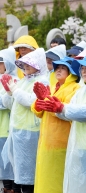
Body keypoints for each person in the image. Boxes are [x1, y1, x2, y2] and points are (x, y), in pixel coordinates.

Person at [37, 55, 86, 193]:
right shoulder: (82, 90)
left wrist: (61, 108)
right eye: (82, 68)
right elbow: (69, 113)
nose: (83, 71)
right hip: (85, 145)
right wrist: (55, 107)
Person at [0, 48, 49, 193]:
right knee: (20, 173)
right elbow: (10, 104)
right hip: (18, 131)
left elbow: (31, 101)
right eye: (24, 64)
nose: (26, 66)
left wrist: (14, 90)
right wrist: (9, 92)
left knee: (30, 173)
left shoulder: (43, 80)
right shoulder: (23, 81)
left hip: (32, 132)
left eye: (29, 64)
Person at [31, 57, 81, 193]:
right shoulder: (52, 87)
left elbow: (66, 111)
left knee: (56, 181)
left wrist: (46, 99)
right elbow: (39, 112)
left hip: (61, 144)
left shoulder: (76, 88)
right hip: (45, 142)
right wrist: (39, 102)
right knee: (43, 180)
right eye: (57, 67)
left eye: (63, 68)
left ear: (71, 72)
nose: (58, 70)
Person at [0, 47, 19, 193]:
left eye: (1, 62)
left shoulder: (15, 80)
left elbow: (7, 102)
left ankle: (11, 189)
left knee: (10, 162)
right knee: (2, 163)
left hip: (8, 129)